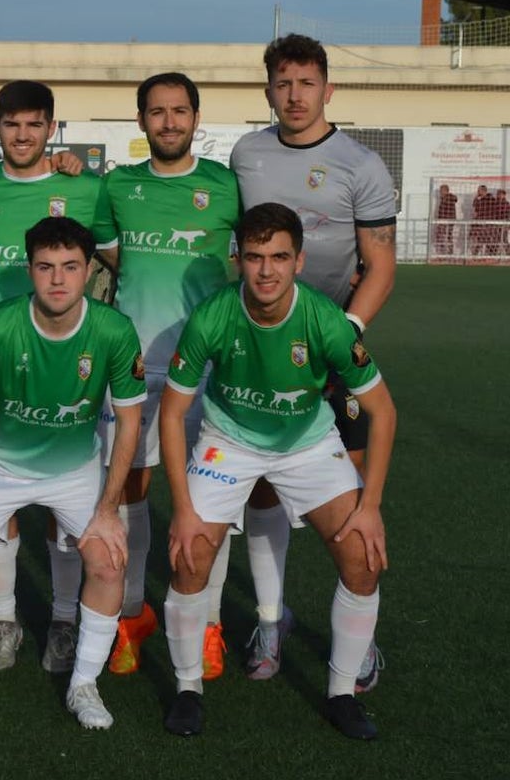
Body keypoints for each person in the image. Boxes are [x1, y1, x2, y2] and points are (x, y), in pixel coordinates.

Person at [160, 202, 394, 740]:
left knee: (363, 559)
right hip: (229, 442)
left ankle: (340, 694)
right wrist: (183, 509)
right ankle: (188, 688)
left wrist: (372, 506)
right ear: (237, 258)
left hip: (306, 443)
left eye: (280, 258)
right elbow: (172, 414)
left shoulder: (325, 320)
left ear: (299, 261)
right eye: (256, 257)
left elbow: (383, 412)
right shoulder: (212, 316)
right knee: (190, 554)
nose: (267, 271)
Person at [0, 216, 145, 729]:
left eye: (69, 267)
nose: (58, 279)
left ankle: (84, 684)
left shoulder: (113, 329)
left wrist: (109, 511)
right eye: (45, 267)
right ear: (30, 269)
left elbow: (129, 423)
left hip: (74, 468)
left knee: (109, 559)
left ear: (89, 271)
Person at [229, 33, 396, 690]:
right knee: (265, 483)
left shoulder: (361, 163)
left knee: (348, 499)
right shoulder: (247, 154)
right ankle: (271, 619)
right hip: (264, 348)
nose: (294, 95)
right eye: (282, 83)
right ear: (267, 89)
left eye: (306, 82)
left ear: (329, 88)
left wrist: (341, 337)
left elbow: (380, 266)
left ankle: (361, 640)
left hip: (334, 346)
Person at [0, 80, 113, 675]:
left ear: (51, 128)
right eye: (12, 124)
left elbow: (121, 262)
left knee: (65, 505)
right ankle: (6, 621)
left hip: (67, 362)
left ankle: (63, 619)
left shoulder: (83, 187)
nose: (22, 135)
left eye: (34, 124)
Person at [97, 74, 240, 680]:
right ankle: (130, 618)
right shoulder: (117, 185)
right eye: (157, 112)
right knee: (129, 488)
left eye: (180, 111)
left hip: (207, 367)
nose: (169, 122)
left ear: (196, 117)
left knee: (210, 498)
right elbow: (111, 254)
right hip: (134, 365)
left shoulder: (227, 186)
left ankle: (208, 623)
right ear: (141, 121)